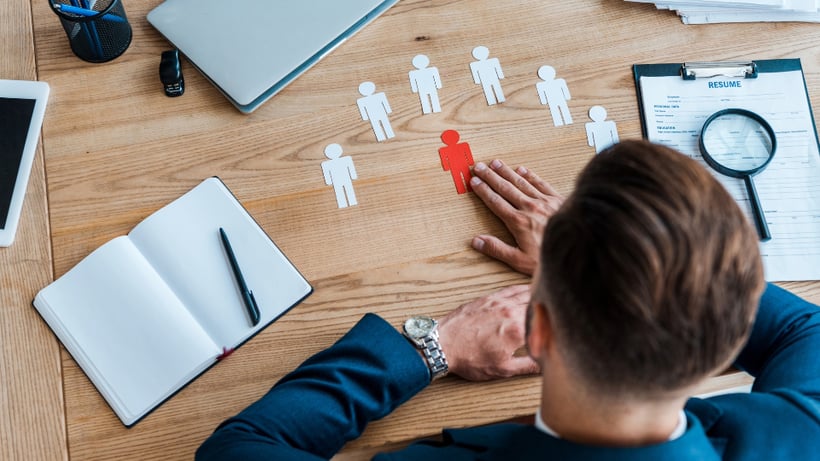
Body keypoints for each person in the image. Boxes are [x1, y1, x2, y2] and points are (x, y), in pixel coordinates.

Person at [197, 140, 820, 460]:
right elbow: (805, 332)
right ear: (731, 335)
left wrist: (430, 348)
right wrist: (620, 265)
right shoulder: (801, 434)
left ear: (536, 332)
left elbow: (238, 448)